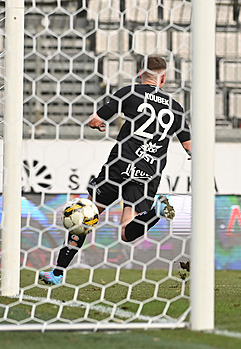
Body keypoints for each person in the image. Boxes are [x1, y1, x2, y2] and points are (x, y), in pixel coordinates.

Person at [40, 56, 191, 285]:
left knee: (84, 216)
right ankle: (157, 211)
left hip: (119, 164)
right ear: (164, 78)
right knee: (126, 232)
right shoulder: (175, 107)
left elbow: (95, 120)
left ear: (141, 74)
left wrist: (99, 124)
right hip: (148, 171)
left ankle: (58, 273)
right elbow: (189, 146)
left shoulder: (129, 92)